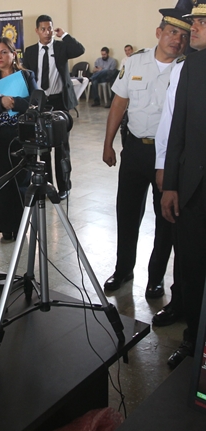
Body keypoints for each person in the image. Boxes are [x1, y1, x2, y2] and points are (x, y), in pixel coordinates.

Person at [101, 8, 190, 300]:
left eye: (183, 35)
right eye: (172, 32)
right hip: (136, 150)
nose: (177, 40)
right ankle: (123, 269)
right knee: (126, 213)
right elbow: (119, 104)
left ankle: (155, 279)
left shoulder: (187, 68)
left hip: (171, 157)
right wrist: (108, 143)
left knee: (165, 220)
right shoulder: (134, 61)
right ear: (159, 33)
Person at [159, 2, 206, 368]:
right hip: (192, 190)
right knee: (191, 268)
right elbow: (178, 130)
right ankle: (193, 341)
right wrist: (171, 184)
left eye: (202, 22)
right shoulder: (192, 68)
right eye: (195, 21)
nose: (194, 28)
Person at [0, 37, 37, 241]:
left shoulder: (26, 76)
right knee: (2, 181)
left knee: (21, 181)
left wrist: (14, 102)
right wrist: (0, 103)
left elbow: (35, 102)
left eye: (3, 52)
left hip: (21, 136)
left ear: (13, 54)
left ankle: (22, 224)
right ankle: (6, 227)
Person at [23, 14, 85, 200]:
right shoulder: (30, 51)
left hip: (59, 101)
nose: (47, 32)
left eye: (49, 28)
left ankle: (65, 185)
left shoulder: (60, 47)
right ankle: (47, 185)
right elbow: (26, 75)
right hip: (41, 103)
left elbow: (79, 49)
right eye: (43, 29)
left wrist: (64, 35)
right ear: (37, 31)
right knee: (44, 146)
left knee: (61, 146)